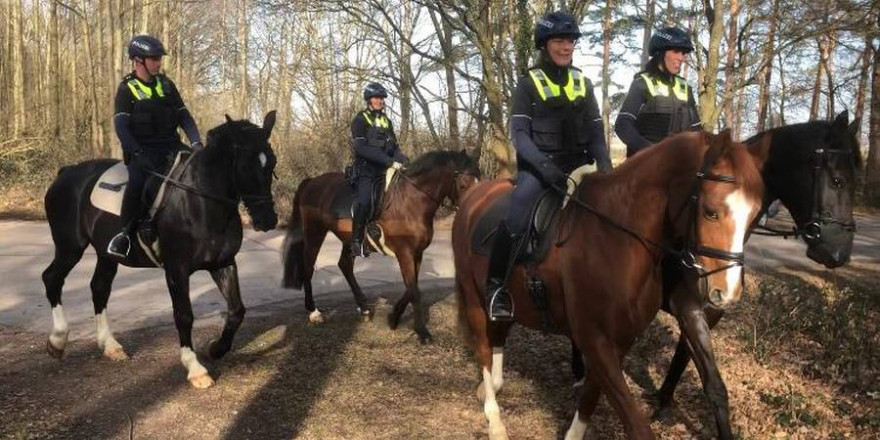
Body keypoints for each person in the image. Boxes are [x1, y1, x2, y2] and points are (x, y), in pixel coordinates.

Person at [485, 11, 612, 321]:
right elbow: (520, 136)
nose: (566, 47)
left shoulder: (584, 82)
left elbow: (596, 132)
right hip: (540, 170)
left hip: (580, 167)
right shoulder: (529, 83)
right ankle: (496, 287)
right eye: (559, 41)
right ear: (545, 44)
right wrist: (547, 170)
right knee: (516, 214)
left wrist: (606, 168)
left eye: (570, 41)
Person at [107, 35, 203, 258]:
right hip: (143, 152)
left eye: (159, 58)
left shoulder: (167, 85)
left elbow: (184, 116)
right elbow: (121, 127)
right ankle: (125, 233)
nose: (159, 63)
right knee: (138, 184)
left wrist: (196, 142)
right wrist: (137, 153)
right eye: (154, 59)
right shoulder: (127, 89)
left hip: (172, 147)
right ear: (138, 60)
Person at [614, 26, 702, 158]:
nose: (681, 58)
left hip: (678, 167)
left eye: (683, 53)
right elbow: (623, 125)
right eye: (676, 51)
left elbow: (697, 131)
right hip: (646, 166)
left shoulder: (685, 88)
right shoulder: (642, 83)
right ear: (660, 53)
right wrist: (653, 152)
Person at [349, 82, 409, 258]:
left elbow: (394, 147)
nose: (380, 101)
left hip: (385, 168)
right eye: (377, 98)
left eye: (382, 98)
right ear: (369, 100)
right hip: (366, 169)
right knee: (365, 201)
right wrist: (389, 161)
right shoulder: (360, 119)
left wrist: (404, 160)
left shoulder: (386, 121)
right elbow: (361, 148)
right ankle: (356, 242)